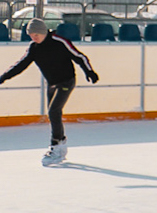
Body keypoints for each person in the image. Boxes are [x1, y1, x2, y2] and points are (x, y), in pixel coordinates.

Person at [2, 19, 99, 166]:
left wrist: (89, 71)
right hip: (52, 84)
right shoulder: (34, 48)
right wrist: (3, 77)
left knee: (54, 111)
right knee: (53, 114)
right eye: (31, 35)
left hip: (67, 81)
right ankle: (61, 143)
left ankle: (55, 146)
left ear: (43, 32)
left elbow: (79, 57)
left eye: (36, 35)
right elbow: (21, 65)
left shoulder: (59, 41)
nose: (33, 38)